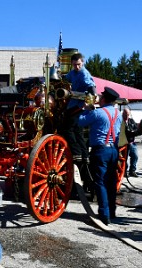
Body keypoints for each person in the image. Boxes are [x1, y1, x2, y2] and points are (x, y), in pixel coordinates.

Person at [78, 87, 122, 225]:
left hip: (101, 150)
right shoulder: (118, 114)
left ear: (104, 99)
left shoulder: (98, 113)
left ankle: (104, 214)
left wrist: (86, 108)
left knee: (101, 182)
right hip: (114, 150)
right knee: (111, 181)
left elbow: (80, 121)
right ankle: (112, 211)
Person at [63, 53, 97, 187]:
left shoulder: (84, 73)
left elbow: (91, 86)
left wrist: (91, 99)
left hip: (79, 106)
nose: (77, 67)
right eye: (74, 64)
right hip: (72, 105)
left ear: (82, 63)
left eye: (78, 64)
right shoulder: (72, 73)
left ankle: (78, 153)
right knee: (73, 129)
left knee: (71, 129)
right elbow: (65, 80)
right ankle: (81, 153)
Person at [120, 106, 139, 177]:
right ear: (122, 114)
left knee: (135, 156)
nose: (126, 116)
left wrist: (133, 131)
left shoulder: (131, 121)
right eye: (125, 114)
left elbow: (136, 129)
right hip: (123, 143)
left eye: (128, 114)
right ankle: (124, 171)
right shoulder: (120, 121)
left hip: (131, 142)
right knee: (124, 158)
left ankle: (132, 170)